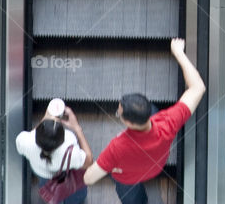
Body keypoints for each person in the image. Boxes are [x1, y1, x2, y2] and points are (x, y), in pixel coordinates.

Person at [82, 38, 205, 204]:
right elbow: (198, 87)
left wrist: (112, 166)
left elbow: (88, 179)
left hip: (127, 177)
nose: (118, 113)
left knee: (132, 198)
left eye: (119, 114)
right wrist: (178, 53)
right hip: (155, 166)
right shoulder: (168, 122)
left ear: (129, 123)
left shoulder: (117, 147)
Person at [16, 103, 93, 203]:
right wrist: (77, 128)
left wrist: (45, 119)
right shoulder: (70, 151)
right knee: (76, 198)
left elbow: (32, 135)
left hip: (43, 174)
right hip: (68, 177)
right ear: (62, 140)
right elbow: (89, 161)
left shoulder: (25, 142)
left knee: (50, 191)